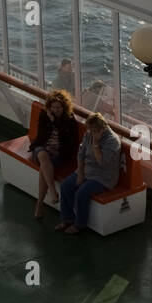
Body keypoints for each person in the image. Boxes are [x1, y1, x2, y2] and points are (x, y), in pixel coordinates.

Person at [57, 113, 122, 236]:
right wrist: (80, 173)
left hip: (103, 176)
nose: (90, 133)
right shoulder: (89, 134)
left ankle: (79, 224)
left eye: (93, 131)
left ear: (102, 129)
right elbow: (81, 154)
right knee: (66, 185)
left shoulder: (112, 141)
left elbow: (102, 163)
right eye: (89, 130)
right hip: (87, 171)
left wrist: (96, 144)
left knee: (82, 193)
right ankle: (68, 218)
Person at [28, 88, 79, 220]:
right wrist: (50, 120)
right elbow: (40, 137)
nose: (56, 110)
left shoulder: (69, 120)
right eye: (53, 107)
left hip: (59, 153)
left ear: (64, 107)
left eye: (59, 107)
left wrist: (55, 121)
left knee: (44, 169)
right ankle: (52, 191)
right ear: (49, 107)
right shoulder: (45, 115)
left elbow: (70, 142)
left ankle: (39, 205)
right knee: (43, 156)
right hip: (42, 149)